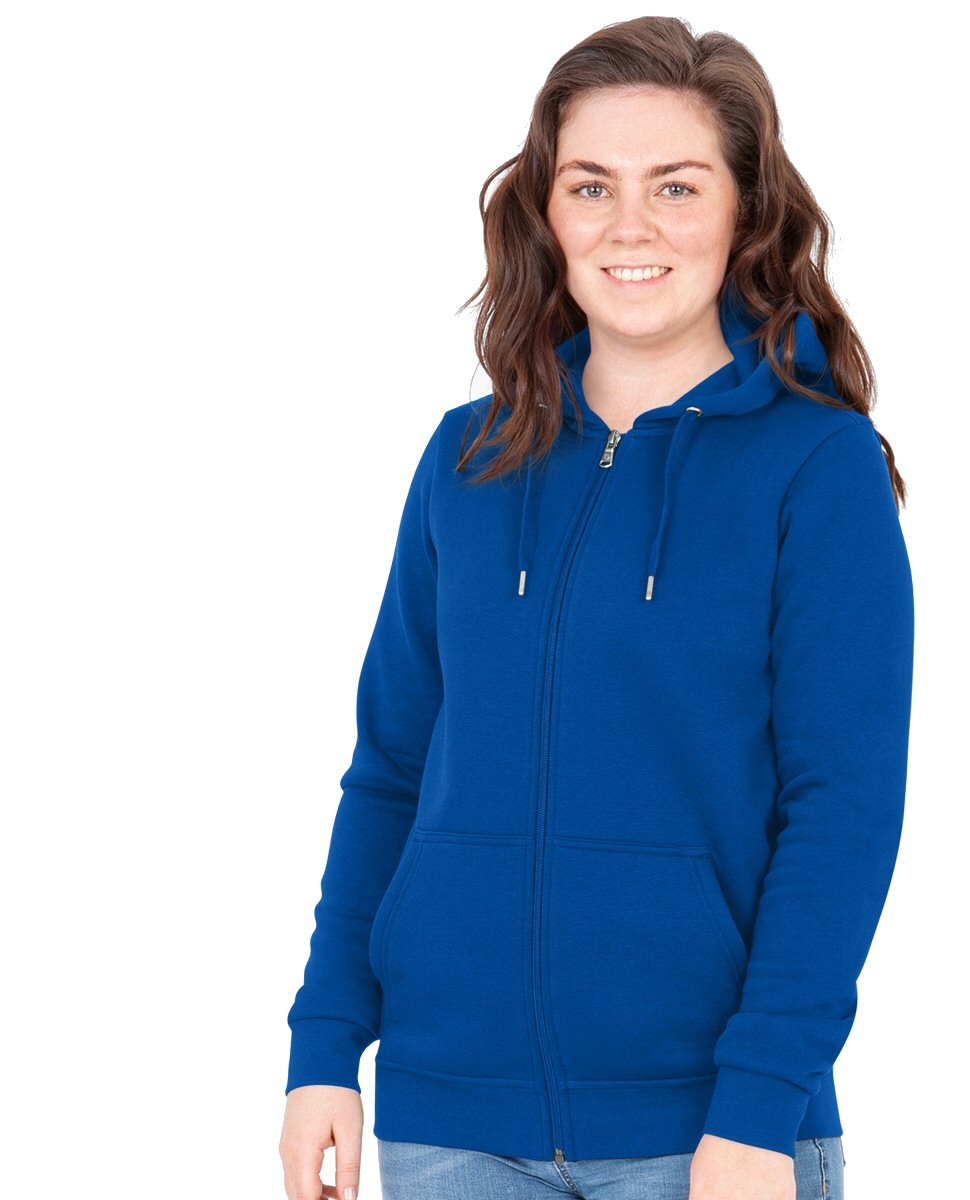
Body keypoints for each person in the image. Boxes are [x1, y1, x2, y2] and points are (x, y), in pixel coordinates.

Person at [278, 15, 914, 1200]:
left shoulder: (816, 467)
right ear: (547, 213)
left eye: (676, 186)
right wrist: (324, 1046)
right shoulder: (466, 459)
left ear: (744, 211)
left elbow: (843, 812)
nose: (631, 226)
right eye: (591, 186)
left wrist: (760, 1105)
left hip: (709, 1132)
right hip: (450, 1122)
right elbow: (392, 770)